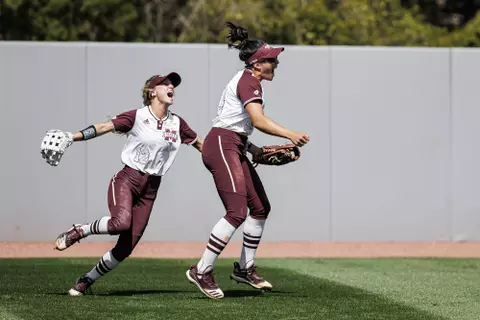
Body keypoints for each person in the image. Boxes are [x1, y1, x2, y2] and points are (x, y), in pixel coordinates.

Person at [42, 72, 203, 296]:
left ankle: (86, 280)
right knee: (120, 223)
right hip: (127, 179)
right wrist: (72, 136)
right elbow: (105, 127)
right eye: (165, 83)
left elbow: (201, 145)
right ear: (152, 91)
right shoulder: (137, 116)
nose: (171, 87)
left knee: (126, 247)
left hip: (151, 189)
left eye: (173, 84)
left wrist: (231, 158)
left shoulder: (177, 123)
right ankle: (80, 230)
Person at [186, 22, 310, 300]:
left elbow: (238, 126)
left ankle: (245, 268)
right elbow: (257, 120)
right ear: (256, 64)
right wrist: (291, 133)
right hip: (221, 145)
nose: (275, 63)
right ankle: (201, 270)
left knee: (260, 207)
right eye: (271, 60)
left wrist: (252, 149)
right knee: (237, 212)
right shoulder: (247, 81)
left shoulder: (249, 80)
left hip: (233, 144)